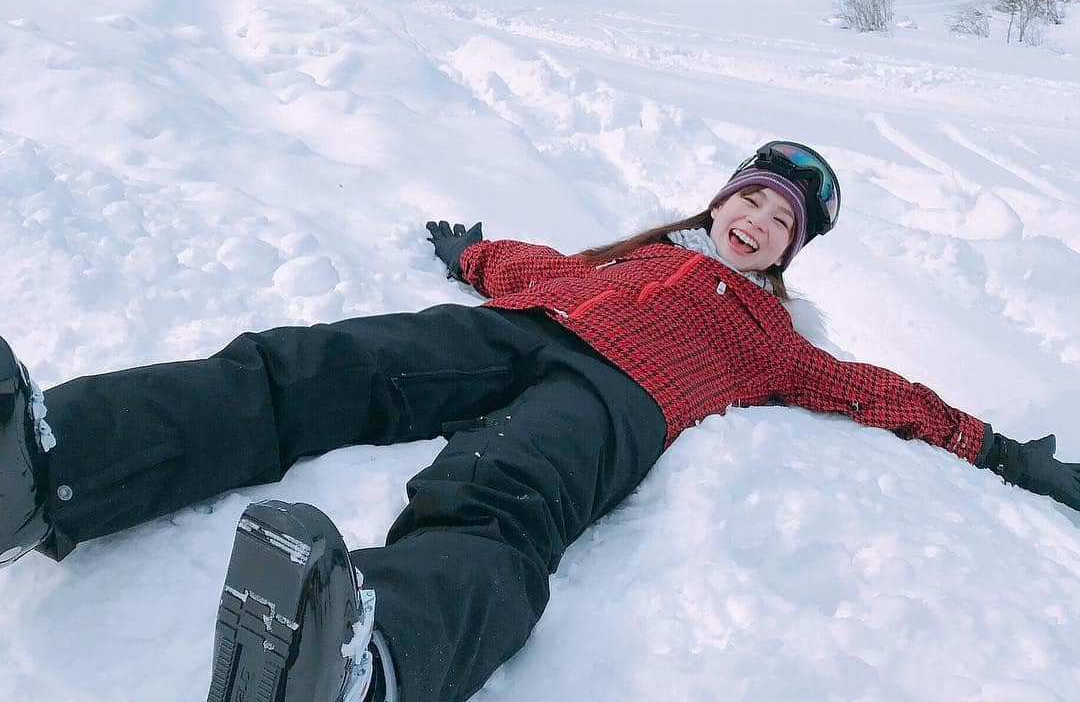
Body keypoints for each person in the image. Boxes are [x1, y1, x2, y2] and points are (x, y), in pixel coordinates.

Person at [2, 141, 1078, 702]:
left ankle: (365, 661)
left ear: (792, 253)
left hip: (619, 402)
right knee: (308, 366)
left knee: (496, 505)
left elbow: (889, 397)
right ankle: (56, 464)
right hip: (520, 329)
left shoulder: (774, 339)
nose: (755, 222)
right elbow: (529, 267)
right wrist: (470, 253)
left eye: (781, 223)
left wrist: (1008, 453)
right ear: (719, 200)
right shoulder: (631, 259)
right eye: (750, 199)